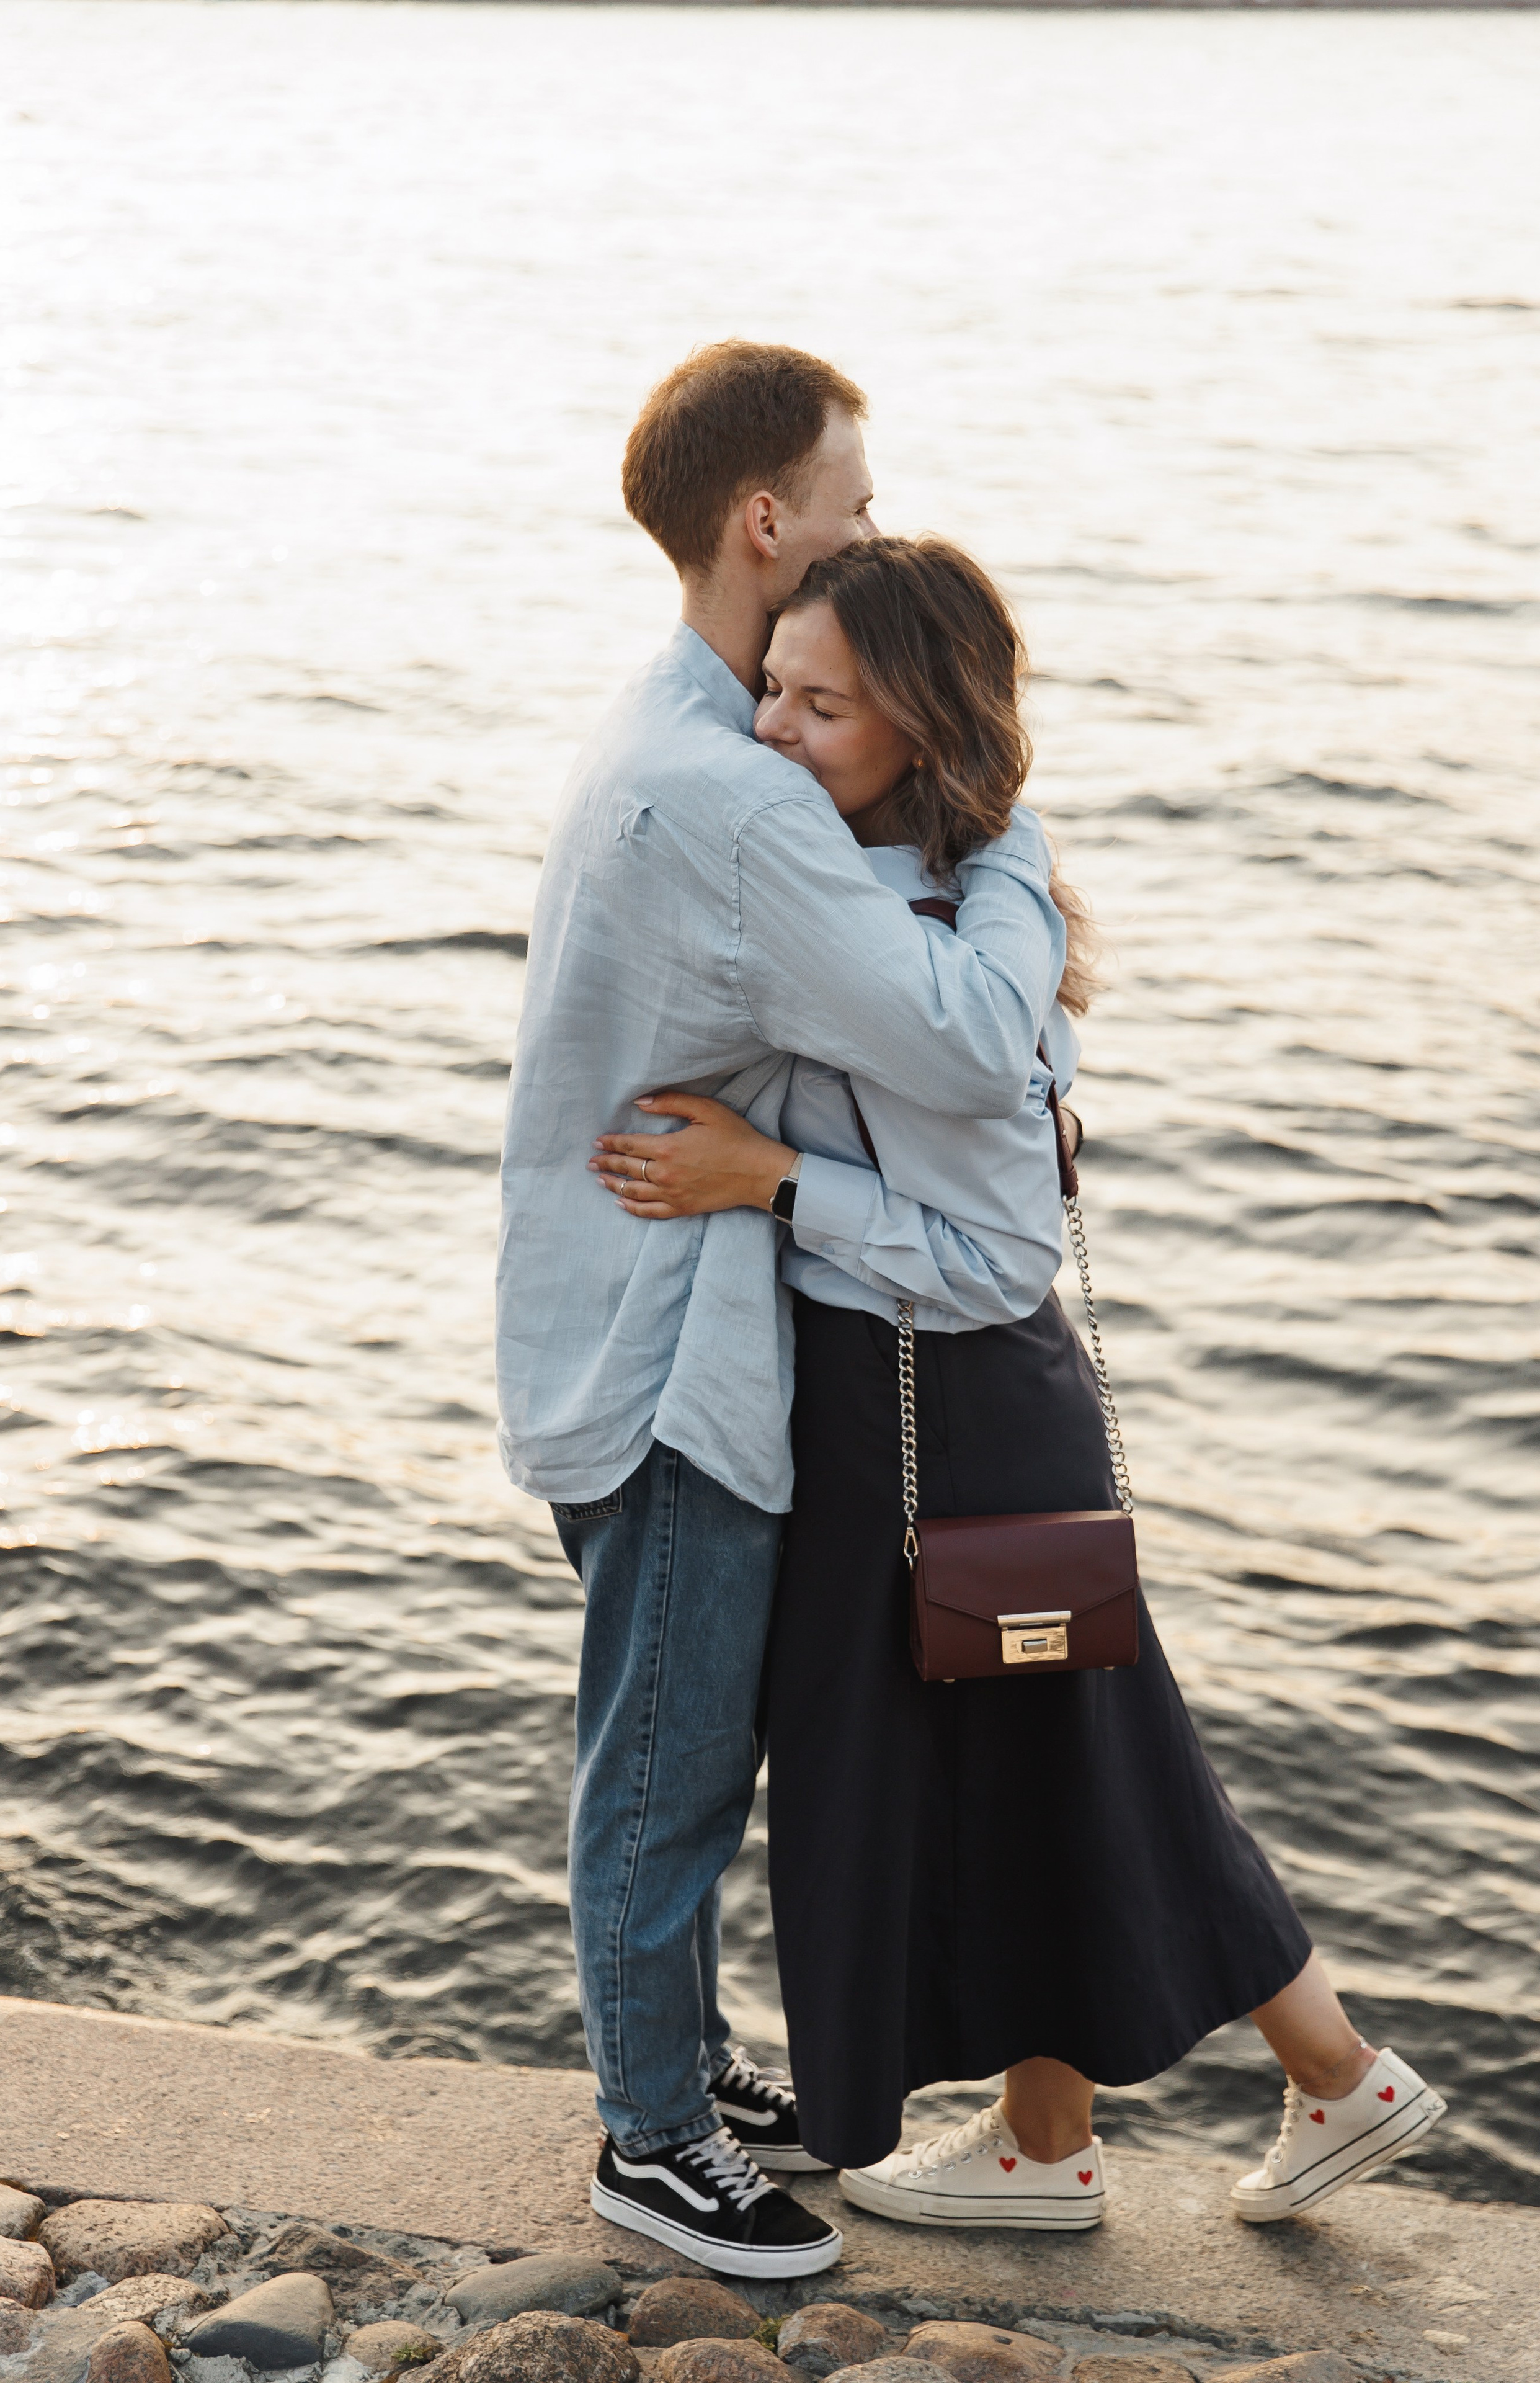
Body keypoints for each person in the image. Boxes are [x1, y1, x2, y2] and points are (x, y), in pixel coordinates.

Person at [589, 533, 1448, 2233]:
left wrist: (769, 1180)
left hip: (949, 1395)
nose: (773, 728)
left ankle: (1344, 2070)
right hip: (916, 1402)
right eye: (771, 684)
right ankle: (1046, 2136)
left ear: (917, 722)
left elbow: (991, 1252)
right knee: (1041, 1768)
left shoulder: (945, 919)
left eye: (822, 704)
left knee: (1095, 1758)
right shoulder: (899, 885)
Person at [496, 346, 1075, 2278]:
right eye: (848, 489)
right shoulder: (739, 800)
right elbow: (972, 1039)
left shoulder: (665, 720)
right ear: (769, 523)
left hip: (610, 1299)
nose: (868, 518)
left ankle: (676, 2058)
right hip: (668, 1339)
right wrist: (1013, 828)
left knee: (672, 1731)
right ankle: (650, 2139)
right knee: (665, 1762)